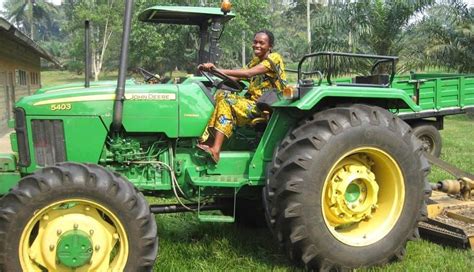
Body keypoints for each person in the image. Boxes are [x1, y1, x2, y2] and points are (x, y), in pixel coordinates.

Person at [197, 29, 287, 163]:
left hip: (266, 107)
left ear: (270, 46)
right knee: (220, 96)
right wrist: (214, 75)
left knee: (227, 101)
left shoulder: (274, 58)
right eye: (255, 42)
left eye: (261, 43)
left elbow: (248, 74)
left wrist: (215, 69)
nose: (257, 45)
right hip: (252, 103)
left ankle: (216, 150)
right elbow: (237, 76)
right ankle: (208, 141)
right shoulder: (256, 60)